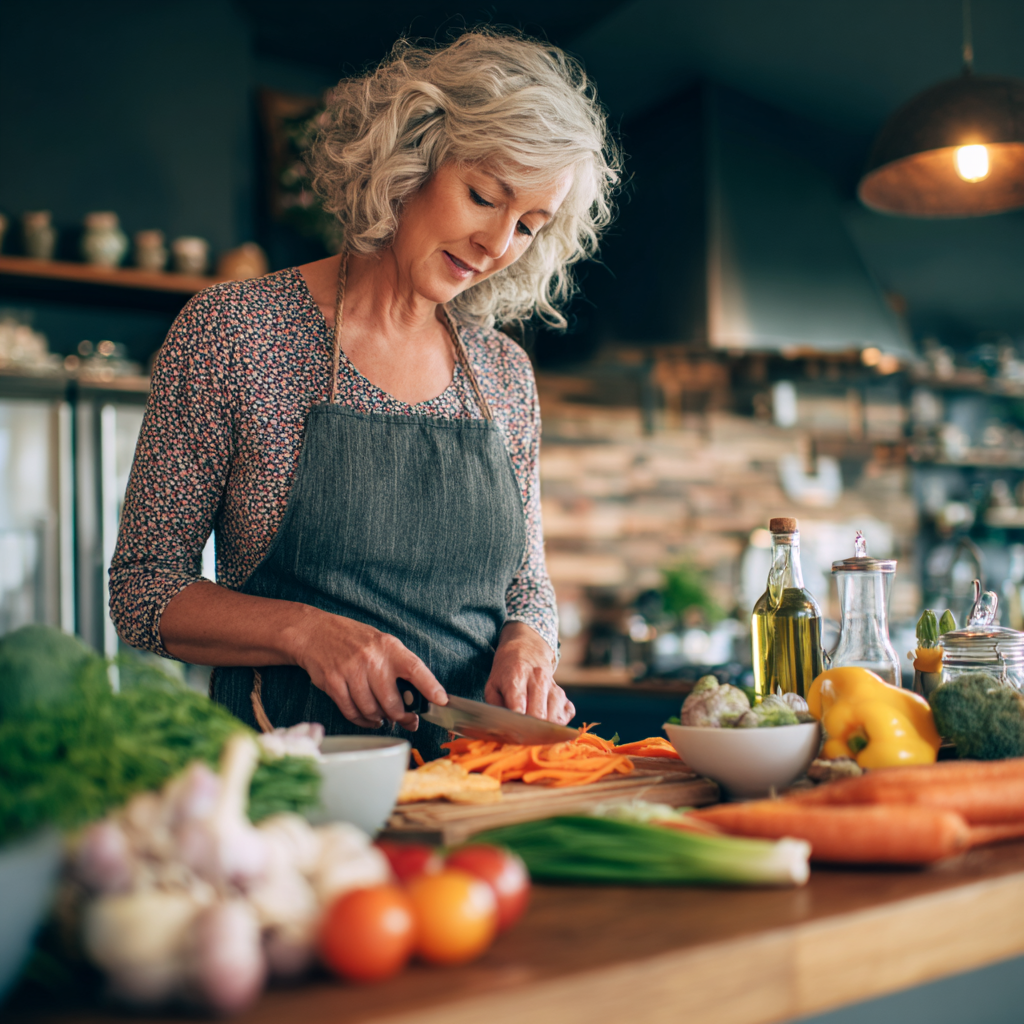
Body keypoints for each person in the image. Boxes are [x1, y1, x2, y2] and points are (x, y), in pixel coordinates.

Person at [109, 28, 620, 758]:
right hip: (293, 784)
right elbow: (142, 589)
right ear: (412, 157)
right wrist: (304, 632)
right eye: (483, 196)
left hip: (474, 787)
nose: (497, 245)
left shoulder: (503, 373)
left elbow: (526, 586)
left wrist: (528, 647)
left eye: (529, 226)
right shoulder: (235, 333)